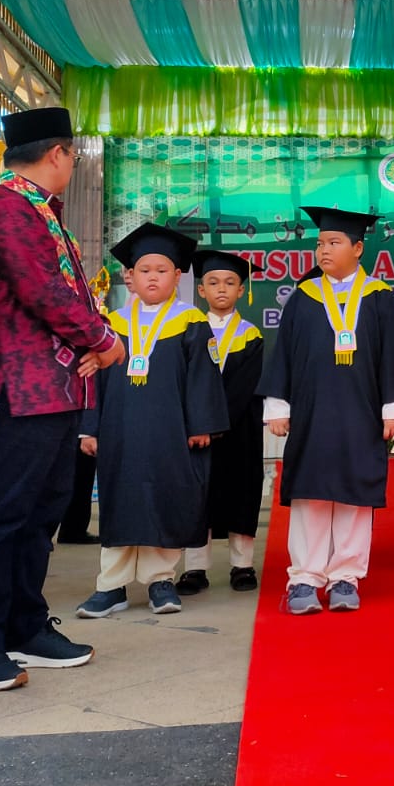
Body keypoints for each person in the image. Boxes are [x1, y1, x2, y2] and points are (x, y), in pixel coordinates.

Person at [0, 107, 126, 693]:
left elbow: (65, 295)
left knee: (37, 517)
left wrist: (93, 343)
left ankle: (23, 626)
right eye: (72, 154)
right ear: (57, 153)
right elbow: (45, 292)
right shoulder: (7, 209)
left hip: (49, 388)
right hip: (12, 389)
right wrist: (104, 340)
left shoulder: (37, 209)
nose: (72, 164)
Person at [259, 206, 394, 614]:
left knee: (354, 494)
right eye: (320, 244)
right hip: (312, 414)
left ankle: (346, 576)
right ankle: (305, 578)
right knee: (310, 494)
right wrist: (278, 405)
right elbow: (284, 355)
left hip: (361, 413)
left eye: (334, 242)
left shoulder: (380, 298)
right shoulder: (304, 298)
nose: (324, 250)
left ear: (358, 248)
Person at [76, 225, 229, 619]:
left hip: (169, 431)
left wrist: (201, 424)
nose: (153, 278)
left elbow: (203, 378)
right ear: (130, 276)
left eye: (162, 271)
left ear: (177, 276)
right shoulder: (112, 324)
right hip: (120, 431)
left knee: (165, 497)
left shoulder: (191, 321)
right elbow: (94, 379)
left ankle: (161, 580)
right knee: (120, 500)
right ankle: (111, 586)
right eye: (144, 270)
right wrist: (90, 426)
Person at [177, 249, 267, 595]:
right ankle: (195, 568)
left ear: (241, 290)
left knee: (241, 493)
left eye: (230, 283)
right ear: (201, 290)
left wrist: (214, 419)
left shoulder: (250, 334)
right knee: (197, 497)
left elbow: (245, 385)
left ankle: (242, 565)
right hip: (197, 431)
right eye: (213, 283)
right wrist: (199, 420)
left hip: (239, 429)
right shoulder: (187, 330)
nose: (221, 289)